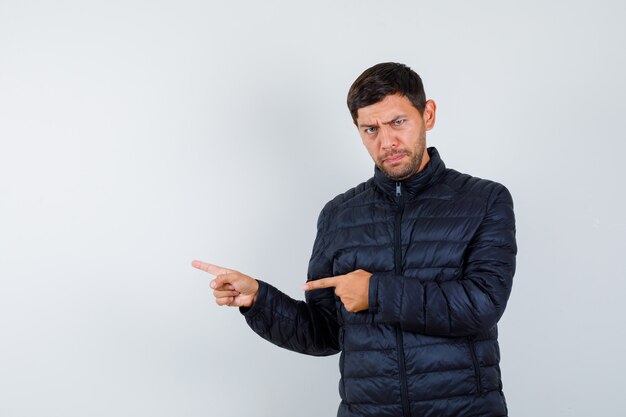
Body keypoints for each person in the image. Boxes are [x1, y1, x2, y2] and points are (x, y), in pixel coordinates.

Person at [192, 62, 517, 417]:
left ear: (428, 114)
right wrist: (258, 300)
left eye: (398, 122)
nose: (387, 141)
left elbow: (482, 305)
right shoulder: (339, 215)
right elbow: (324, 333)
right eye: (370, 129)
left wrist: (375, 293)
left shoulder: (484, 200)